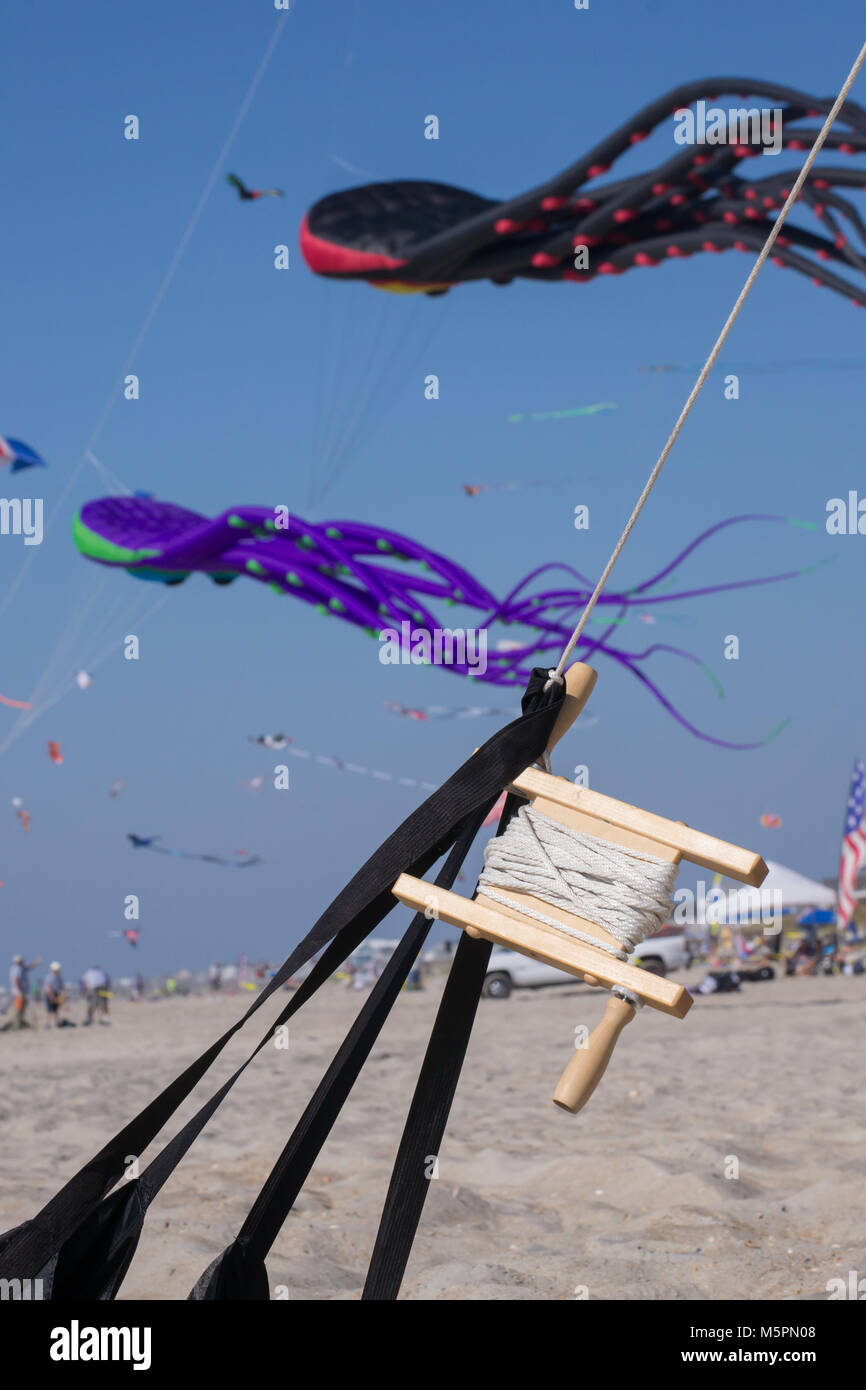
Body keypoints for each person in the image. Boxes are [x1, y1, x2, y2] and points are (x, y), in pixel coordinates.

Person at [7, 953, 42, 1030]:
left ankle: (20, 1023)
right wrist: (19, 991)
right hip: (19, 993)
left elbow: (30, 967)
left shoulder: (22, 968)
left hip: (23, 992)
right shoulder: (16, 969)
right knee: (18, 1008)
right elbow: (15, 981)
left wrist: (37, 962)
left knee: (22, 1008)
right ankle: (16, 1024)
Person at [43, 962, 73, 1028]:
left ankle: (56, 1023)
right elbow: (49, 987)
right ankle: (47, 1024)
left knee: (56, 1010)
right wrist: (52, 996)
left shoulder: (59, 977)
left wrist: (64, 995)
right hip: (50, 994)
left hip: (56, 994)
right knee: (49, 1010)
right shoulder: (49, 977)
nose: (57, 971)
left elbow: (62, 987)